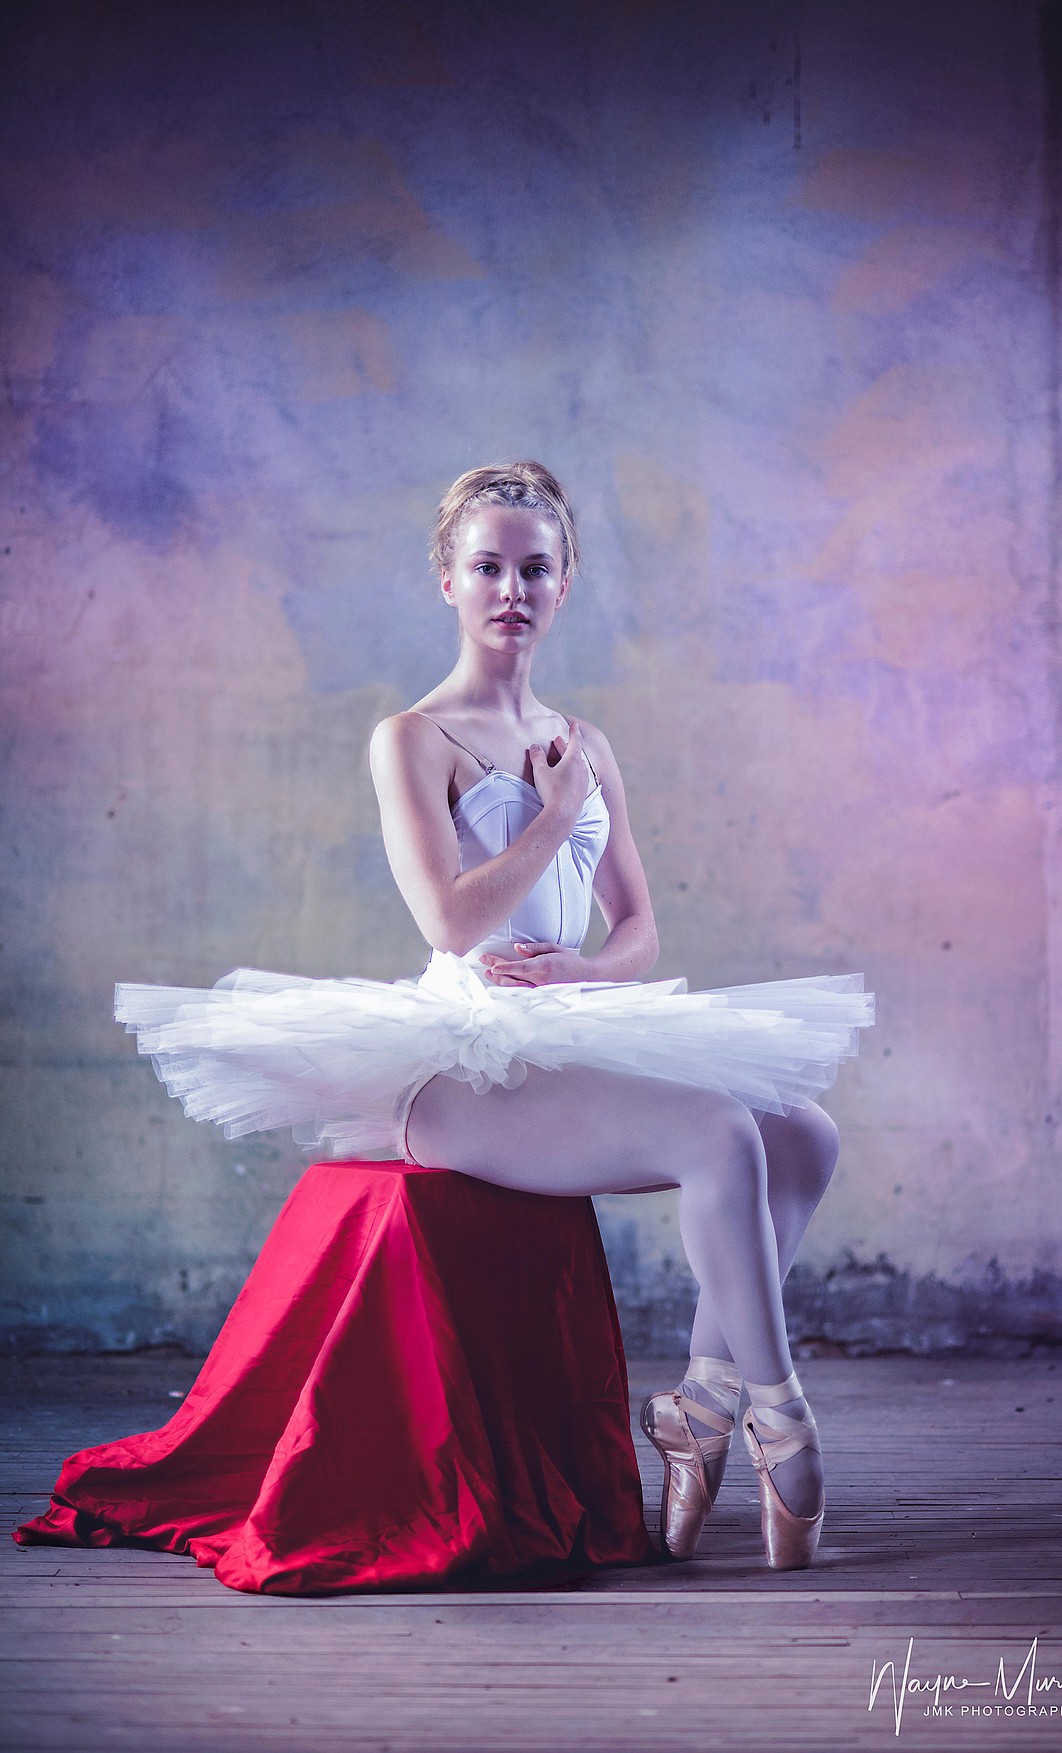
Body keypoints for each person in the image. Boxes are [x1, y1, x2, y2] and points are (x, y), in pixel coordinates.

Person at [115, 461, 874, 1572]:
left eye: (535, 568)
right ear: (447, 580)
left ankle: (702, 1403)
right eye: (487, 567)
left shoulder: (585, 738)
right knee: (715, 1133)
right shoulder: (411, 738)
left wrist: (587, 976)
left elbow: (639, 928)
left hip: (566, 1024)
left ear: (564, 584)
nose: (510, 588)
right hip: (458, 1055)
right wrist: (551, 812)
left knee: (803, 1130)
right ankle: (782, 1421)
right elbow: (450, 917)